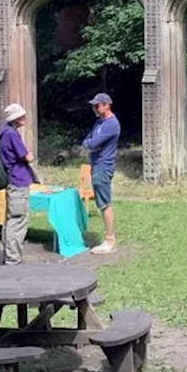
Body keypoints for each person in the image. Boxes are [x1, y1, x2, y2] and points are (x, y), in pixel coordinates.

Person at [0, 102, 38, 266]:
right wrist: (30, 154)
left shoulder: (2, 132)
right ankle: (13, 258)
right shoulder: (12, 134)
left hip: (10, 179)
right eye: (22, 115)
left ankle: (8, 254)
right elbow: (27, 157)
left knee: (10, 219)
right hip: (18, 180)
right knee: (18, 219)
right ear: (15, 118)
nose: (25, 117)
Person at [82, 92, 121, 254]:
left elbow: (93, 143)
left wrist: (91, 145)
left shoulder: (112, 124)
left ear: (107, 105)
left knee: (104, 204)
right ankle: (109, 239)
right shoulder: (98, 123)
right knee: (101, 203)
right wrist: (91, 145)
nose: (94, 109)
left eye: (97, 106)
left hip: (103, 167)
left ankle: (110, 240)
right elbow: (86, 141)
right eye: (93, 106)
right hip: (95, 166)